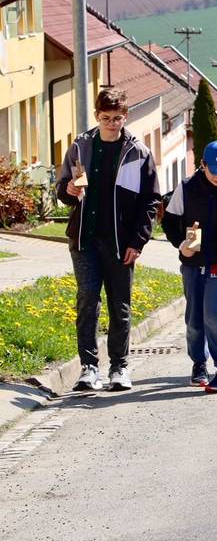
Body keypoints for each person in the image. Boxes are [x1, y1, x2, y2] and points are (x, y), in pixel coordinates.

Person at [56, 88, 160, 392]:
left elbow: (151, 201)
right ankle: (89, 367)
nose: (112, 123)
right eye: (105, 118)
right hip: (85, 240)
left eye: (117, 118)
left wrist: (137, 242)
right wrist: (69, 191)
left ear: (125, 116)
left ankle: (119, 367)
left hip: (120, 244)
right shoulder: (81, 147)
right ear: (97, 116)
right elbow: (63, 189)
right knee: (87, 300)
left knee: (120, 305)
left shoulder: (138, 152)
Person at [163, 140, 217, 393]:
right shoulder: (187, 187)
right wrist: (182, 245)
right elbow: (169, 222)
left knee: (212, 314)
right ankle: (199, 363)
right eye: (215, 171)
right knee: (193, 319)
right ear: (202, 165)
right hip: (192, 262)